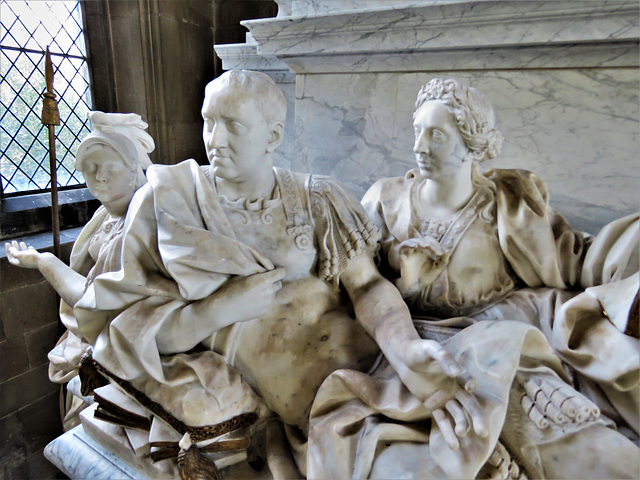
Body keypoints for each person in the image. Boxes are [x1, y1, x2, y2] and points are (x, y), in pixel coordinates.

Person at [356, 77, 639, 477]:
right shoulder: (384, 201)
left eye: (435, 135)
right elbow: (354, 282)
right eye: (417, 131)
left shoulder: (508, 207)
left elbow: (576, 257)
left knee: (581, 436)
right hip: (415, 347)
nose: (419, 147)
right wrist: (404, 278)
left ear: (471, 142)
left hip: (510, 330)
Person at [4, 112, 156, 428]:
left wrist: (44, 262)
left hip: (117, 334)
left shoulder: (138, 225)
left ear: (131, 172)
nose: (98, 176)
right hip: (86, 330)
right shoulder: (103, 216)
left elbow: (95, 300)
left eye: (109, 168)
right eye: (90, 168)